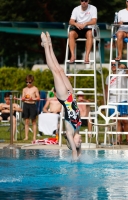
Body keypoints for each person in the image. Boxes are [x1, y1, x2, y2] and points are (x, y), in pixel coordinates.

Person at [41, 31, 82, 161]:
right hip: (72, 96)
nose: (80, 141)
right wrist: (80, 152)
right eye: (80, 143)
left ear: (72, 143)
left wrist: (75, 161)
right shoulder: (78, 130)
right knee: (60, 70)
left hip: (64, 98)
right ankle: (50, 44)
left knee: (55, 72)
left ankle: (46, 46)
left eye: (78, 143)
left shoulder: (70, 133)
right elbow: (79, 150)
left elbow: (74, 152)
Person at [105, 62, 128, 144]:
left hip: (122, 100)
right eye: (112, 65)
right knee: (116, 121)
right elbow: (107, 90)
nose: (113, 66)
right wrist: (106, 101)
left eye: (115, 65)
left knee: (124, 120)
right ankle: (118, 140)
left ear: (118, 66)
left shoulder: (122, 73)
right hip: (112, 101)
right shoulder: (108, 77)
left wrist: (125, 67)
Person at [22, 75, 40, 141]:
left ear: (32, 82)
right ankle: (26, 137)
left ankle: (34, 137)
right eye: (27, 82)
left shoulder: (35, 88)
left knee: (34, 121)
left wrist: (33, 98)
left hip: (32, 105)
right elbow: (23, 98)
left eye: (29, 82)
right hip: (26, 104)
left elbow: (38, 98)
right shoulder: (24, 89)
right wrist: (24, 98)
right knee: (26, 121)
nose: (28, 84)